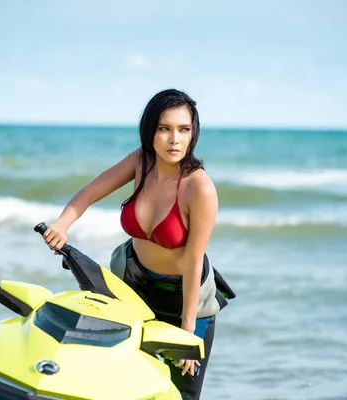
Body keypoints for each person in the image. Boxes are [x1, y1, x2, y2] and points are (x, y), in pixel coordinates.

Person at [42, 88, 233, 400]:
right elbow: (90, 192)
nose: (175, 140)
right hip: (131, 287)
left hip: (184, 303)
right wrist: (63, 224)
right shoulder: (141, 162)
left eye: (184, 129)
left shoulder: (200, 188)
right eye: (164, 129)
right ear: (150, 131)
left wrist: (186, 334)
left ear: (193, 133)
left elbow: (193, 261)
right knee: (114, 381)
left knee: (179, 395)